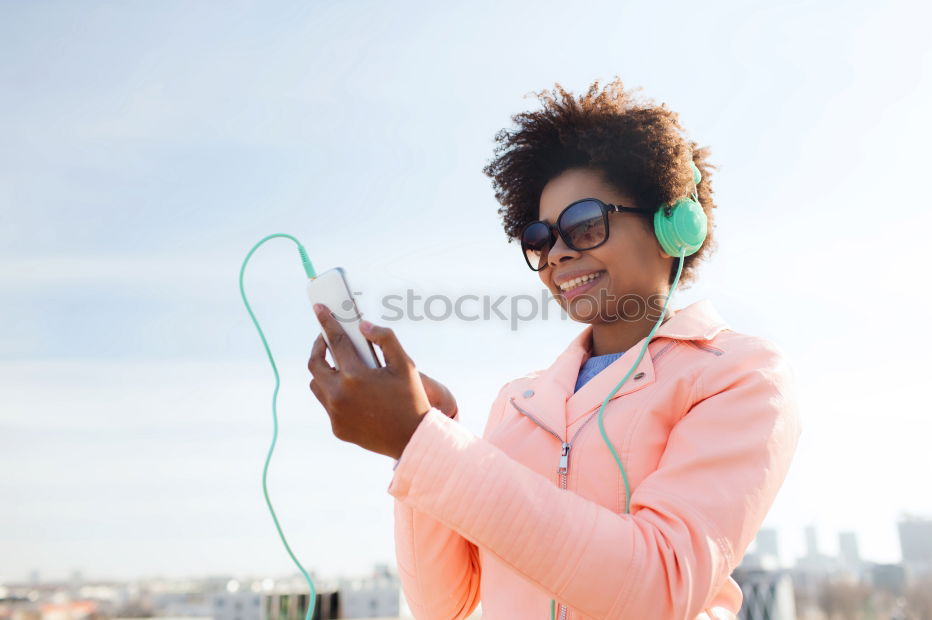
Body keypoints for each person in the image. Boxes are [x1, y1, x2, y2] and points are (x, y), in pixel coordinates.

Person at [307, 77, 803, 620]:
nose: (557, 255)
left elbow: (660, 585)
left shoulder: (740, 374)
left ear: (673, 224)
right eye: (540, 239)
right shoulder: (517, 400)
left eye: (584, 225)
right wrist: (423, 435)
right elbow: (442, 604)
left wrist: (423, 443)